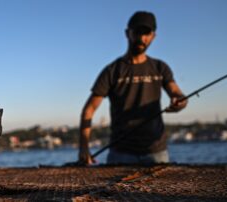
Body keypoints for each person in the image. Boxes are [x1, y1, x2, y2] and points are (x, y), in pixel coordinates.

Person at [78, 11, 188, 165]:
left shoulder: (160, 67)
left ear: (153, 36)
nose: (142, 38)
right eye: (137, 32)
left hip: (157, 153)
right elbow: (89, 109)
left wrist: (180, 101)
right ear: (127, 33)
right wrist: (84, 147)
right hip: (120, 153)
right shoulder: (112, 71)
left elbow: (176, 93)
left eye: (147, 33)